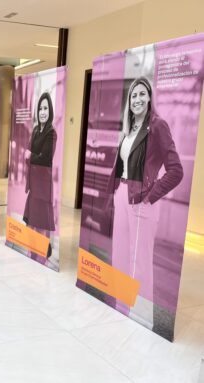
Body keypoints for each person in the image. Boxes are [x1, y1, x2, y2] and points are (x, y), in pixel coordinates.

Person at [107, 77, 183, 328]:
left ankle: (141, 318)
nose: (137, 99)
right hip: (123, 195)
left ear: (149, 97)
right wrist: (114, 191)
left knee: (139, 263)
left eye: (142, 94)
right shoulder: (129, 129)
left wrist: (151, 196)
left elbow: (176, 170)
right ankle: (121, 309)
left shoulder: (158, 126)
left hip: (143, 200)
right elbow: (122, 165)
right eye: (133, 96)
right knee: (119, 257)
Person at [23, 92, 57, 260]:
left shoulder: (51, 132)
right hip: (34, 185)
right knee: (31, 223)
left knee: (42, 224)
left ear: (49, 110)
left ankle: (42, 255)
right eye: (40, 109)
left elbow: (46, 157)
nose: (43, 112)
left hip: (43, 187)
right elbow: (28, 152)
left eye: (45, 108)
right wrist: (32, 156)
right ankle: (32, 252)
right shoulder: (36, 130)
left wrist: (31, 156)